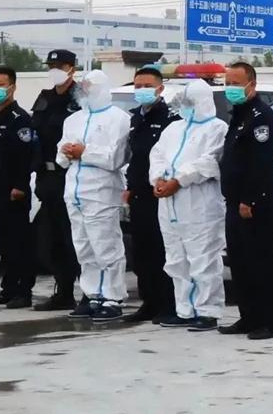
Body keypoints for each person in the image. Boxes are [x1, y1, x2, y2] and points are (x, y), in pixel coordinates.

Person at [150, 79, 228, 332]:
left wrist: (179, 180)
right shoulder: (173, 129)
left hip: (200, 203)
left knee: (203, 258)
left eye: (190, 101)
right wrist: (158, 179)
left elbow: (209, 162)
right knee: (176, 259)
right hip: (169, 204)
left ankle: (208, 312)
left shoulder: (217, 129)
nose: (185, 106)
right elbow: (157, 154)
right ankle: (184, 310)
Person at [218, 62, 273, 340]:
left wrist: (250, 200)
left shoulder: (262, 117)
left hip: (256, 204)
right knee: (241, 262)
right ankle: (249, 317)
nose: (230, 88)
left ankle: (271, 322)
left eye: (236, 83)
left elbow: (262, 164)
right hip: (235, 201)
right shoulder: (239, 115)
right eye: (227, 83)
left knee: (262, 263)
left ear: (251, 85)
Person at [57, 70, 131, 322]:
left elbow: (116, 157)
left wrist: (85, 152)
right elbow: (61, 153)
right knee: (84, 247)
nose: (86, 90)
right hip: (74, 191)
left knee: (106, 246)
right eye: (84, 86)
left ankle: (113, 297)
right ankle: (93, 295)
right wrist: (66, 152)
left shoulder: (119, 119)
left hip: (102, 191)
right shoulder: (73, 119)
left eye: (91, 86)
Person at [122, 65, 177, 323]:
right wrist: (129, 187)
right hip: (138, 194)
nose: (142, 90)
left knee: (160, 251)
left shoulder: (170, 119)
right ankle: (149, 302)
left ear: (160, 89)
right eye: (138, 86)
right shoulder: (135, 119)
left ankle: (167, 304)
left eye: (147, 86)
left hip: (160, 193)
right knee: (142, 252)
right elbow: (134, 157)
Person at [0, 67, 36, 309]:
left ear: (12, 88)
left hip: (14, 192)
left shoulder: (19, 119)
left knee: (19, 242)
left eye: (0, 84)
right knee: (3, 241)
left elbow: (26, 155)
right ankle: (8, 288)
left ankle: (23, 291)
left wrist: (20, 185)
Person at [31, 49, 82, 312]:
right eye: (50, 66)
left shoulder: (81, 98)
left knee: (75, 237)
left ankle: (89, 292)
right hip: (48, 176)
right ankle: (63, 291)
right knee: (52, 239)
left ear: (72, 68)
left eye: (59, 66)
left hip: (71, 175)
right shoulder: (45, 97)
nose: (54, 70)